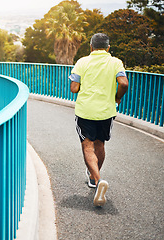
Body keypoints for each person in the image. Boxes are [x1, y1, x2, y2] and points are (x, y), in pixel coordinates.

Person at [69, 33, 129, 207]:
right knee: (100, 144)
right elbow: (124, 83)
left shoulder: (82, 62)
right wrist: (117, 98)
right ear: (108, 47)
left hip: (85, 110)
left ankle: (97, 179)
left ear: (91, 47)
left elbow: (74, 88)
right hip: (106, 111)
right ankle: (94, 178)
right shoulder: (116, 62)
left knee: (87, 146)